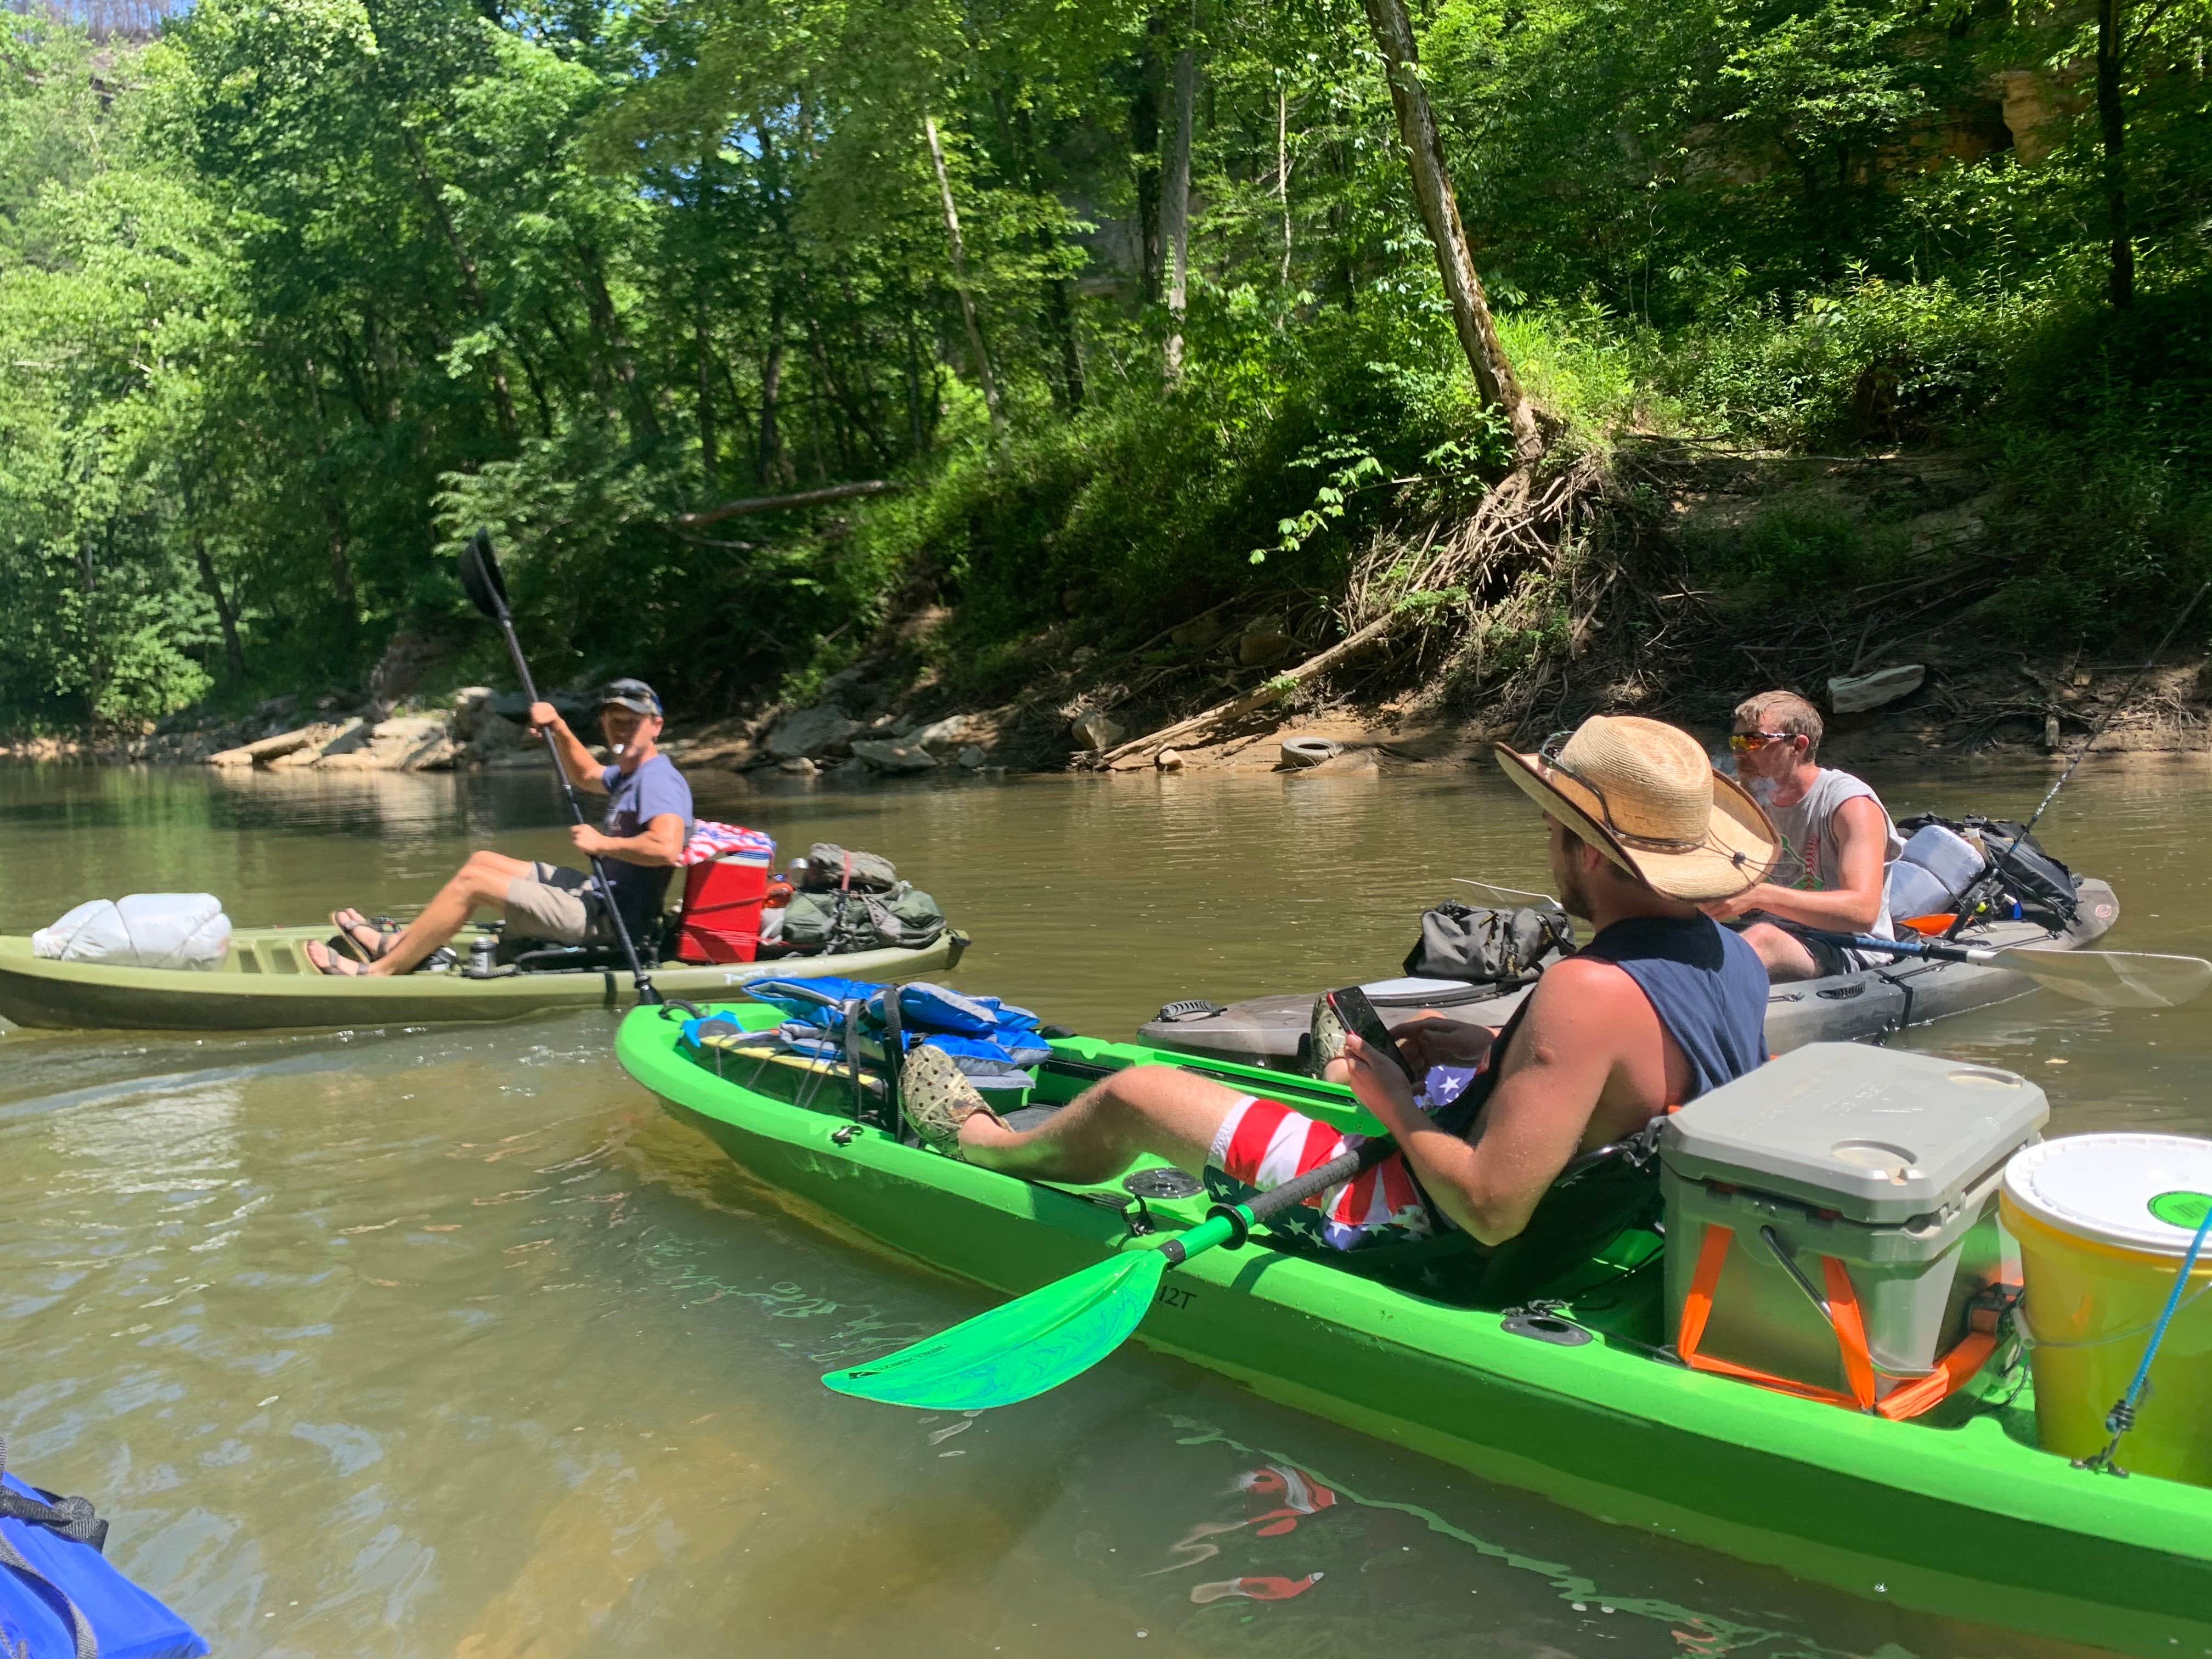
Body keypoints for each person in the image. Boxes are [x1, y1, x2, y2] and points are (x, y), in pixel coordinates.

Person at [899, 714, 1775, 1272]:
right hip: (1580, 1219)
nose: (1548, 847)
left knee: (1135, 1093)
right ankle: (1332, 1088)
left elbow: (1490, 1213)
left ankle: (982, 1144)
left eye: (1555, 832)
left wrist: (1396, 1103)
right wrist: (1491, 1053)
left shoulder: (1588, 991)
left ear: (1588, 851)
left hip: (1415, 1224)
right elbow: (1641, 1089)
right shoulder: (1734, 958)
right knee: (1363, 1058)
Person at [306, 679, 693, 977]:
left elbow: (666, 847)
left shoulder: (657, 780)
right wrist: (558, 728)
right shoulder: (630, 773)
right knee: (482, 861)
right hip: (597, 894)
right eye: (614, 722)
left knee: (473, 885)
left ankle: (381, 971)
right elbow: (587, 773)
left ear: (655, 726)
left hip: (613, 921)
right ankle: (396, 943)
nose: (622, 730)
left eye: (632, 722)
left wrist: (603, 844)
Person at [1699, 690, 1902, 982]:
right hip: (1762, 931)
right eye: (1736, 741)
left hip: (1847, 946)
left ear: (1798, 746)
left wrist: (1760, 895)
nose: (1739, 752)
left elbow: (1862, 911)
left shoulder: (1850, 805)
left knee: (1764, 938)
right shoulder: (1742, 800)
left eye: (1753, 740)